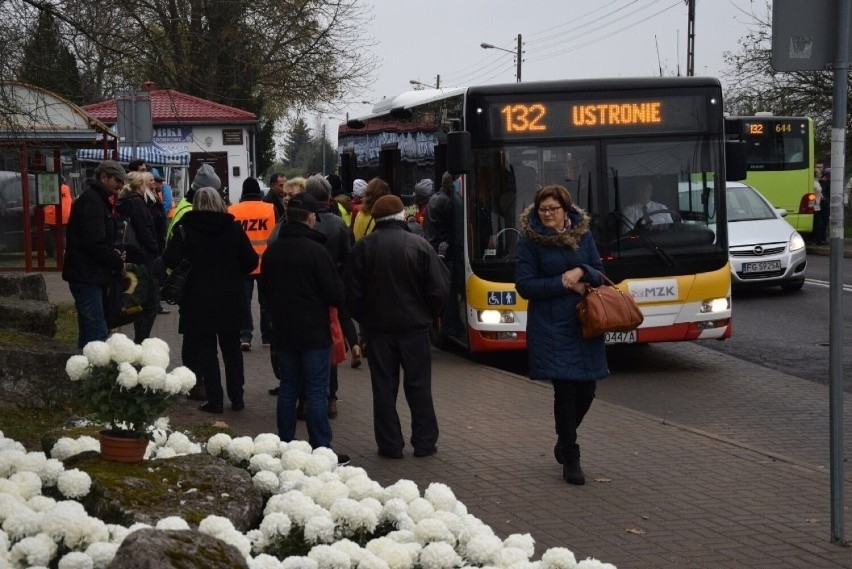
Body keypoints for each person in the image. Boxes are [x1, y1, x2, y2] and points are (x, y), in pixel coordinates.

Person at [514, 184, 607, 485]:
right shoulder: (530, 242)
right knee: (565, 391)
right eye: (543, 209)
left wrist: (581, 271)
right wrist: (564, 283)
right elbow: (525, 285)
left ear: (566, 210)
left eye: (553, 209)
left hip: (585, 323)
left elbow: (598, 270)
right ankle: (571, 455)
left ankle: (563, 440)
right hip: (551, 327)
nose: (548, 214)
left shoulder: (583, 234)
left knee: (588, 389)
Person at [344, 194, 449, 459]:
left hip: (378, 330)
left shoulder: (363, 248)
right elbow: (438, 289)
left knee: (383, 388)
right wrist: (430, 313)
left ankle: (390, 444)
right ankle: (424, 442)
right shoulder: (419, 245)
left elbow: (352, 295)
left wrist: (365, 319)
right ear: (402, 216)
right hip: (415, 328)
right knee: (419, 387)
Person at [260, 192, 349, 465]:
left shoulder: (273, 251)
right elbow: (335, 294)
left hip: (284, 330)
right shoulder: (317, 251)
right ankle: (321, 448)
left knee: (288, 388)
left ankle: (284, 445)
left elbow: (264, 294)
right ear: (311, 218)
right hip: (313, 331)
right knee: (316, 390)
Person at [162, 187, 258, 414]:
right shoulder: (233, 228)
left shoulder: (185, 229)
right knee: (232, 350)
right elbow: (251, 261)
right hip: (230, 298)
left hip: (198, 299)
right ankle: (237, 397)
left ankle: (214, 399)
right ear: (219, 202)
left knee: (206, 351)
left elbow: (169, 258)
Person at [61, 160, 126, 348]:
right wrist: (115, 261)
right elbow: (94, 242)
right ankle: (95, 374)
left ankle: (82, 370)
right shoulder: (93, 200)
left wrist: (111, 253)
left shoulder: (98, 199)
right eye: (117, 180)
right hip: (87, 275)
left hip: (89, 273)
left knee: (89, 328)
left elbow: (96, 240)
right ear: (103, 176)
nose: (120, 185)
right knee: (97, 330)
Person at [306, 174, 355, 417]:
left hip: (306, 291)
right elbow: (349, 257)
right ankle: (331, 397)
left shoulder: (305, 222)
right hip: (333, 288)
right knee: (332, 343)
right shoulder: (339, 224)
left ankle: (309, 397)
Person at [228, 177, 276, 350]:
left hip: (242, 263)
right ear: (259, 192)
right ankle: (268, 337)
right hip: (266, 264)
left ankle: (245, 336)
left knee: (244, 301)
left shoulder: (232, 210)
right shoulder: (270, 209)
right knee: (267, 302)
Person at [116, 171, 161, 342]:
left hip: (132, 256)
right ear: (140, 186)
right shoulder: (137, 202)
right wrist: (155, 249)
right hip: (144, 257)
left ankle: (139, 340)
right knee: (150, 302)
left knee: (138, 300)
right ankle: (141, 342)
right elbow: (145, 230)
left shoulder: (124, 202)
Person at [424, 172, 464, 338]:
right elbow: (457, 229)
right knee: (451, 290)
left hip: (436, 249)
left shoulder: (434, 198)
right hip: (447, 253)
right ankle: (450, 327)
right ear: (453, 184)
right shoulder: (450, 201)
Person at [167, 163, 221, 240]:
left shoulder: (189, 203)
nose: (216, 195)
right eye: (214, 192)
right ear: (205, 193)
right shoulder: (190, 212)